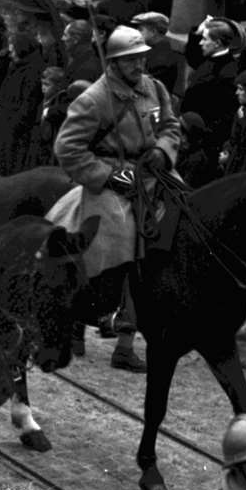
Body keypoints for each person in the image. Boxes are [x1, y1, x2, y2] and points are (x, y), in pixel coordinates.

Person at [48, 24, 181, 372]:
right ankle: (90, 319)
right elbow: (68, 148)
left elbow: (170, 126)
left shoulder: (155, 88)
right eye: (132, 60)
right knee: (121, 242)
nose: (139, 66)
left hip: (152, 172)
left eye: (142, 59)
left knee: (187, 214)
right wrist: (108, 175)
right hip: (113, 178)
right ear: (115, 63)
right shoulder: (94, 98)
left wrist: (164, 152)